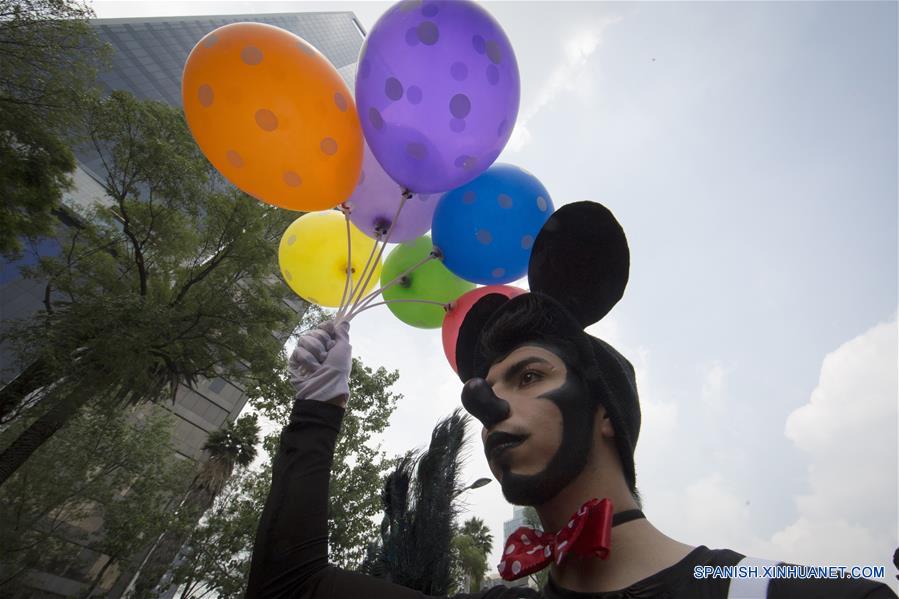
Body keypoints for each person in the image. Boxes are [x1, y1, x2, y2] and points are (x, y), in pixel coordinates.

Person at [246, 202, 896, 599]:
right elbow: (288, 586)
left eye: (527, 375)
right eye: (489, 386)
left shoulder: (777, 594)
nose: (489, 405)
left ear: (606, 412)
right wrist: (317, 408)